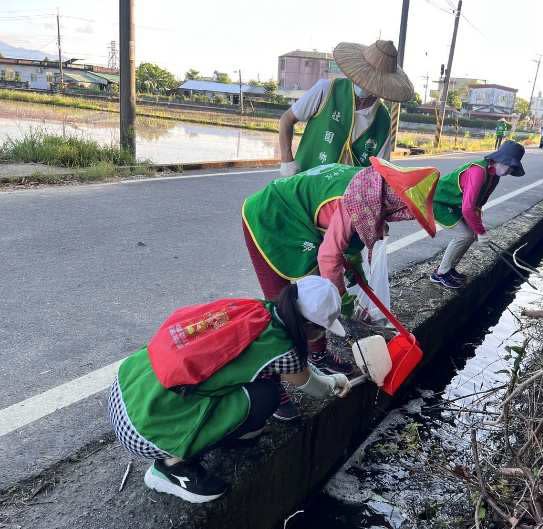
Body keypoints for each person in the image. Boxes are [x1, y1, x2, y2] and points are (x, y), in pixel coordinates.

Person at [108, 276, 351, 503]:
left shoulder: (257, 310)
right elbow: (313, 387)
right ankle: (170, 467)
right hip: (142, 427)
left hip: (130, 386)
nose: (322, 334)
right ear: (308, 326)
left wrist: (331, 377)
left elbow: (294, 365)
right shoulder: (282, 348)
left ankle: (228, 433)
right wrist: (334, 383)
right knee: (266, 396)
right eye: (322, 329)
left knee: (259, 383)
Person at [242, 158, 438, 418]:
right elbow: (328, 257)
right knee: (283, 310)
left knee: (314, 304)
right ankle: (273, 385)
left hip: (299, 223)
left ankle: (318, 355)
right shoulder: (355, 200)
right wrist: (340, 300)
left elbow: (344, 243)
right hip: (269, 218)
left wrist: (355, 273)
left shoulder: (371, 187)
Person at [278, 40, 414, 177]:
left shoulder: (382, 119)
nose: (366, 85)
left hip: (347, 196)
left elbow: (381, 171)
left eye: (373, 83)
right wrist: (287, 160)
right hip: (307, 184)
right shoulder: (327, 90)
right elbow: (287, 120)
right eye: (365, 77)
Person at [430, 141, 526, 289]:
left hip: (454, 204)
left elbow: (477, 205)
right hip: (438, 201)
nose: (509, 171)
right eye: (509, 165)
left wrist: (479, 229)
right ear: (500, 159)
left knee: (471, 234)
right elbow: (468, 209)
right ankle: (441, 273)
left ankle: (449, 269)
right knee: (464, 235)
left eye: (513, 167)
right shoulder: (478, 171)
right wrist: (481, 231)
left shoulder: (494, 176)